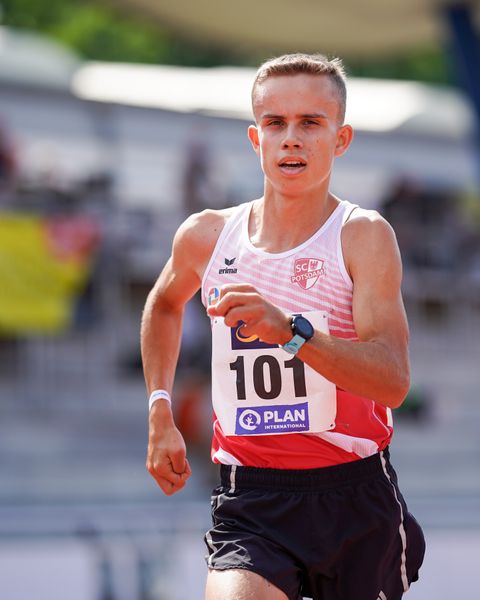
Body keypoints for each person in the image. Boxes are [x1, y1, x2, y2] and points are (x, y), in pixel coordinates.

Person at [142, 53, 425, 600]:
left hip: (353, 491)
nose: (290, 139)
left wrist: (293, 333)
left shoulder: (362, 236)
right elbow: (164, 303)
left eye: (310, 124)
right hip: (252, 493)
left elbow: (392, 380)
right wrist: (160, 409)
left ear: (341, 140)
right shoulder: (207, 236)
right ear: (255, 139)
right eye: (275, 123)